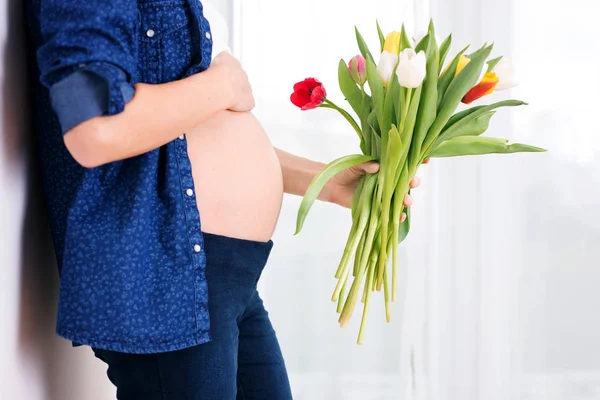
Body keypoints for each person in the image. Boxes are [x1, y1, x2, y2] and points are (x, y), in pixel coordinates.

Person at [25, 0, 422, 398]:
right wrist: (223, 85)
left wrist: (330, 182)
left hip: (223, 275)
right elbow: (95, 129)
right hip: (166, 277)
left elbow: (180, 140)